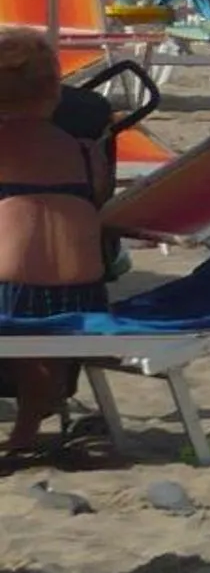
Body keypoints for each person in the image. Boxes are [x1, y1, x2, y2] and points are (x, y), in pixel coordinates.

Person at [0, 31, 111, 461]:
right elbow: (99, 201)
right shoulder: (85, 151)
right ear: (54, 94)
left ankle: (31, 417)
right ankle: (31, 419)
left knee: (23, 300)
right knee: (47, 311)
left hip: (10, 293)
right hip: (83, 296)